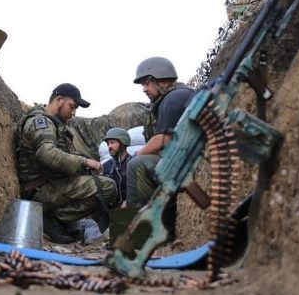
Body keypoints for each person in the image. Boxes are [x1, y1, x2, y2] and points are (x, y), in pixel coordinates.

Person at [14, 83, 117, 244]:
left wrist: (87, 166)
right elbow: (47, 154)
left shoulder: (57, 125)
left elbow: (66, 156)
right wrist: (85, 161)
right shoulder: (41, 122)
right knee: (107, 187)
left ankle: (56, 220)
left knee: (104, 184)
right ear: (59, 100)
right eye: (72, 106)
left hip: (53, 185)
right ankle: (53, 220)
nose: (74, 113)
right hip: (40, 190)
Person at [126, 57, 195, 239]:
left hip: (186, 162)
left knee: (136, 164)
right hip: (182, 159)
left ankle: (133, 231)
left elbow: (163, 139)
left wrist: (137, 154)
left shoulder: (174, 97)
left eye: (147, 83)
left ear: (162, 79)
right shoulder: (172, 96)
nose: (144, 89)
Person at [101, 127, 132, 208]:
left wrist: (129, 200)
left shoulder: (134, 164)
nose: (109, 146)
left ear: (123, 143)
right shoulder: (106, 166)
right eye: (108, 144)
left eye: (112, 142)